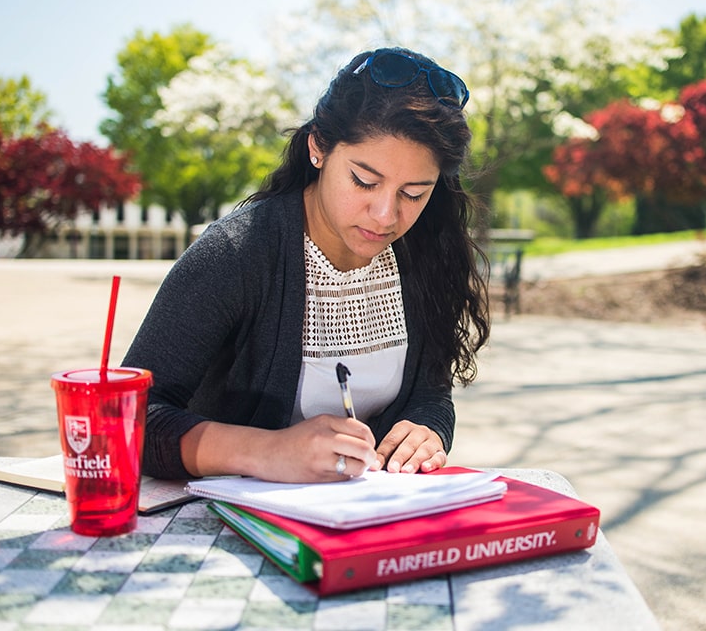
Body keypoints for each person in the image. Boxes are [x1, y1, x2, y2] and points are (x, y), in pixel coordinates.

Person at [123, 47, 490, 483]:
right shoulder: (238, 252)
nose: (386, 215)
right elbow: (129, 418)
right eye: (364, 181)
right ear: (318, 148)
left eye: (414, 193)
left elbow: (430, 392)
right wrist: (266, 451)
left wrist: (427, 429)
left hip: (367, 524)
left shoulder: (425, 249)